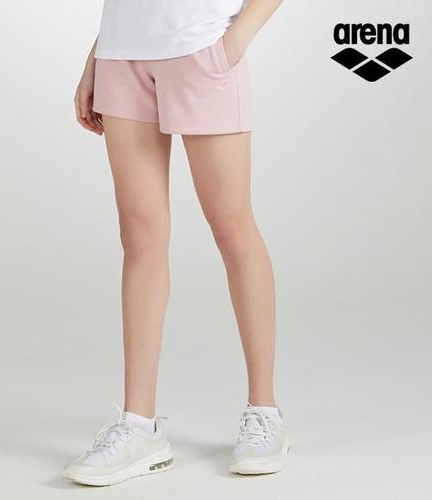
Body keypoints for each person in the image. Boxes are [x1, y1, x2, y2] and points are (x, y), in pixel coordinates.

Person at [63, 0, 288, 486]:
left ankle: (264, 411)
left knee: (231, 226)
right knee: (139, 235)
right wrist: (96, 55)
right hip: (122, 55)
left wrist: (232, 44)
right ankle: (138, 425)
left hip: (201, 49)